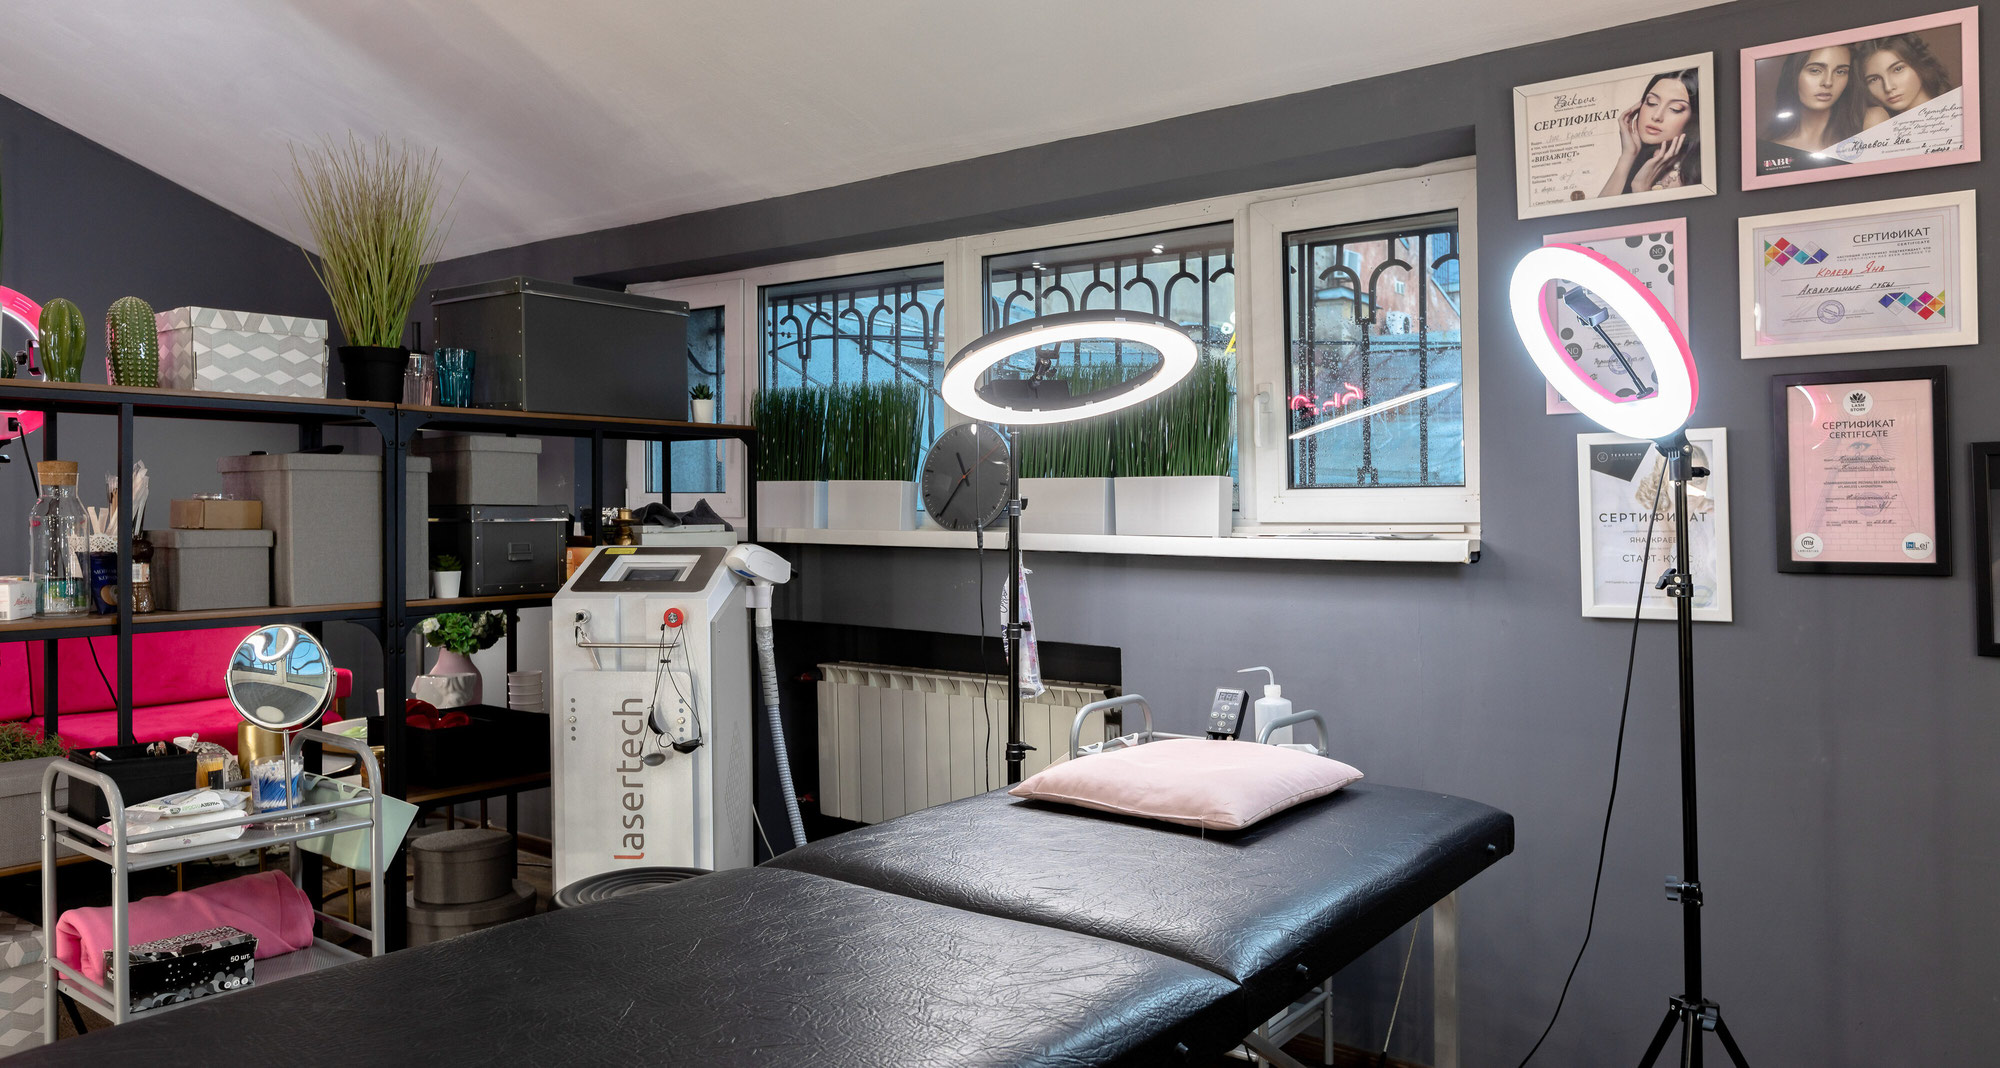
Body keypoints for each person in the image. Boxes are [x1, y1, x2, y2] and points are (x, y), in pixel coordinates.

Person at [1600, 69, 1701, 197]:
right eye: (1651, 102)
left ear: (1694, 120)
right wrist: (1627, 156)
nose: (1656, 116)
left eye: (1675, 109)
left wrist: (1640, 188)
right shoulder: (1641, 162)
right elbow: (1599, 210)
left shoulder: (1697, 179)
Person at [1766, 46, 1867, 152]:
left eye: (1840, 72)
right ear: (1793, 74)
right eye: (1815, 70)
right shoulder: (1772, 149)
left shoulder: (1867, 125)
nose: (1828, 82)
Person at [1858, 34, 1955, 127]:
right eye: (1874, 79)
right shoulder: (1876, 121)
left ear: (1919, 63)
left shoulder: (1957, 108)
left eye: (1898, 69)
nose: (1888, 87)